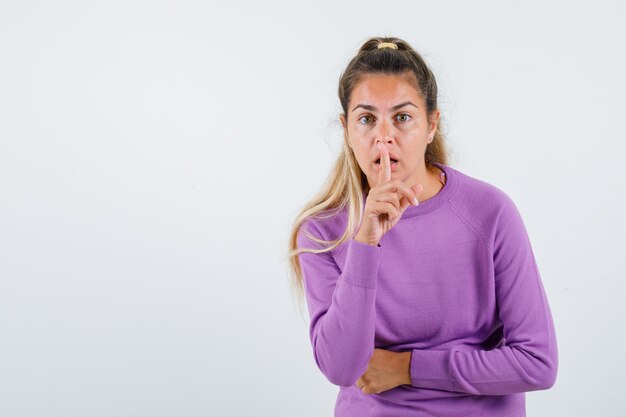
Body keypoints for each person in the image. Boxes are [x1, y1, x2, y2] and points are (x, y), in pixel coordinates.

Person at [287, 36, 558, 417]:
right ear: (347, 130)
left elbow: (537, 363)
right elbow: (342, 368)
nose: (384, 136)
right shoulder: (321, 232)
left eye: (402, 117)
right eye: (366, 119)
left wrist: (406, 368)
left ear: (432, 125)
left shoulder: (490, 212)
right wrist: (365, 243)